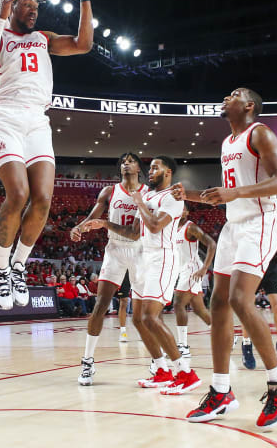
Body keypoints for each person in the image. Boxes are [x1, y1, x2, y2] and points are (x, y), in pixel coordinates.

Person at [173, 88, 277, 427]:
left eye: (233, 95)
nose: (225, 98)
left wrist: (235, 193)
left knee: (242, 300)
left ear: (249, 105)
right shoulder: (229, 143)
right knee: (219, 304)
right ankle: (221, 390)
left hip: (261, 220)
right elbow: (225, 194)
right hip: (234, 223)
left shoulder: (260, 132)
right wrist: (192, 195)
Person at [0, 0, 93, 310]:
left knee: (43, 198)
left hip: (38, 120)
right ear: (12, 8)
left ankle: (17, 266)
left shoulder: (44, 38)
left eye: (36, 7)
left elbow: (84, 44)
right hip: (6, 116)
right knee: (19, 193)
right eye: (26, 5)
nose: (33, 11)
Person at [84, 156, 201, 395]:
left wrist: (138, 201)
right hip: (144, 258)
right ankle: (161, 370)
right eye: (150, 168)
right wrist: (104, 225)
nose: (150, 171)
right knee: (138, 318)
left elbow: (156, 226)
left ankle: (185, 373)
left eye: (155, 167)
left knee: (150, 317)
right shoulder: (147, 197)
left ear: (168, 172)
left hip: (162, 258)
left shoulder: (172, 198)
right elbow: (134, 232)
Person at [70, 152, 147, 385]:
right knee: (100, 305)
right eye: (123, 161)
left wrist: (102, 224)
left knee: (144, 313)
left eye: (131, 161)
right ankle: (87, 361)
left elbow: (134, 232)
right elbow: (93, 218)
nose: (126, 163)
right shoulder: (109, 191)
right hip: (114, 249)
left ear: (138, 168)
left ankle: (157, 361)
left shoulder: (146, 194)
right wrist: (79, 228)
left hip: (140, 250)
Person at [239, 225, 277, 370]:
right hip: (251, 265)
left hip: (271, 266)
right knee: (247, 307)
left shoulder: (275, 214)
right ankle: (246, 344)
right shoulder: (249, 215)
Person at [172, 204, 216, 359]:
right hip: (182, 269)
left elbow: (211, 244)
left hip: (192, 269)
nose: (180, 210)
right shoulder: (171, 228)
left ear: (187, 212)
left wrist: (205, 267)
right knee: (199, 309)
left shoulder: (191, 228)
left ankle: (183, 346)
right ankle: (224, 336)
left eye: (183, 208)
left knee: (178, 304)